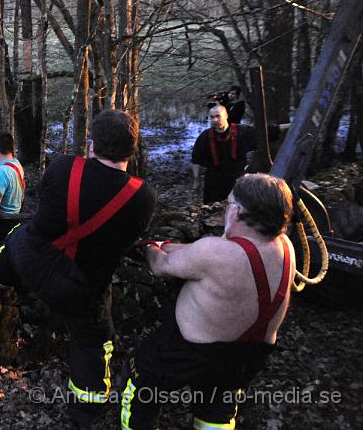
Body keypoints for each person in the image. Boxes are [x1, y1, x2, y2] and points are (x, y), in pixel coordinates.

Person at [0, 109, 156, 426]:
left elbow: (46, 207)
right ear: (132, 151)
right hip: (79, 288)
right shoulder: (142, 197)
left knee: (16, 236)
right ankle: (86, 410)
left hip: (28, 259)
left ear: (92, 145)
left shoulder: (63, 167)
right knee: (94, 343)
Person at [119, 173, 295, 429]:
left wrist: (150, 248)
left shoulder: (217, 252)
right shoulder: (286, 247)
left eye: (228, 204)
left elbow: (160, 265)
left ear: (237, 212)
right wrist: (167, 245)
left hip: (191, 351)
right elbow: (199, 257)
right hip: (249, 354)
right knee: (217, 404)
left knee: (138, 385)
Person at [191, 104, 288, 204]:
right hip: (214, 182)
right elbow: (196, 159)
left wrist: (291, 125)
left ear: (226, 116)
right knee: (210, 209)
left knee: (237, 208)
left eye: (218, 116)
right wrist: (196, 181)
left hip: (236, 180)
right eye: (212, 117)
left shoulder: (242, 131)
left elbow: (266, 132)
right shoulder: (205, 137)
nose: (215, 120)